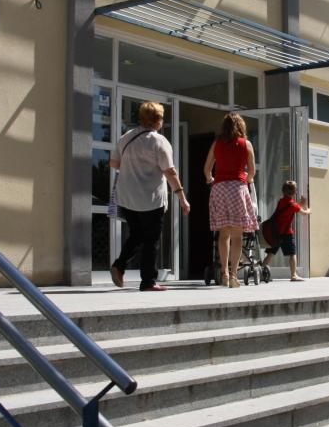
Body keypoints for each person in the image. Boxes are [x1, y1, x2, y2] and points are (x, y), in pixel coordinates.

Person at [109, 102, 189, 292]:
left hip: (127, 197)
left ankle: (119, 265)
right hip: (151, 199)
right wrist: (182, 197)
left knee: (136, 234)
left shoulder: (126, 137)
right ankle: (148, 281)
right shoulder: (159, 141)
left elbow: (113, 163)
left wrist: (133, 167)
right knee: (151, 240)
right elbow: (170, 171)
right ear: (157, 120)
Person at [203, 113, 258, 288]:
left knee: (223, 234)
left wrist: (210, 179)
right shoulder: (246, 144)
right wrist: (247, 180)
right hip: (237, 188)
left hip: (219, 188)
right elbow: (252, 171)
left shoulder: (216, 144)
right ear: (241, 126)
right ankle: (234, 275)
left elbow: (207, 169)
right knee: (237, 236)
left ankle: (224, 274)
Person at [262, 180, 310, 282]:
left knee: (270, 253)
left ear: (283, 191)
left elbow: (291, 207)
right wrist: (308, 209)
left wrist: (300, 204)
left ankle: (262, 272)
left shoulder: (281, 201)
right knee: (292, 254)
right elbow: (303, 213)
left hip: (275, 233)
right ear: (294, 192)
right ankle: (293, 275)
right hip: (286, 233)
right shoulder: (293, 205)